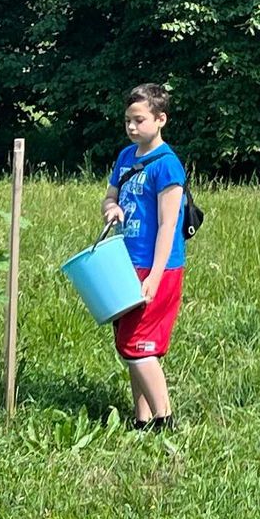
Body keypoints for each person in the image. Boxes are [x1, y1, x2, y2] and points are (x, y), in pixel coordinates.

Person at [101, 83, 187, 431]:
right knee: (129, 345)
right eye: (127, 121)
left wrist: (153, 276)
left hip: (157, 268)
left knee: (138, 345)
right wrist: (111, 208)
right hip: (124, 263)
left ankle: (164, 421)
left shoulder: (168, 166)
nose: (132, 127)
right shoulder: (125, 157)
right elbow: (109, 196)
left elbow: (169, 225)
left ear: (160, 119)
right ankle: (142, 419)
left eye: (139, 120)